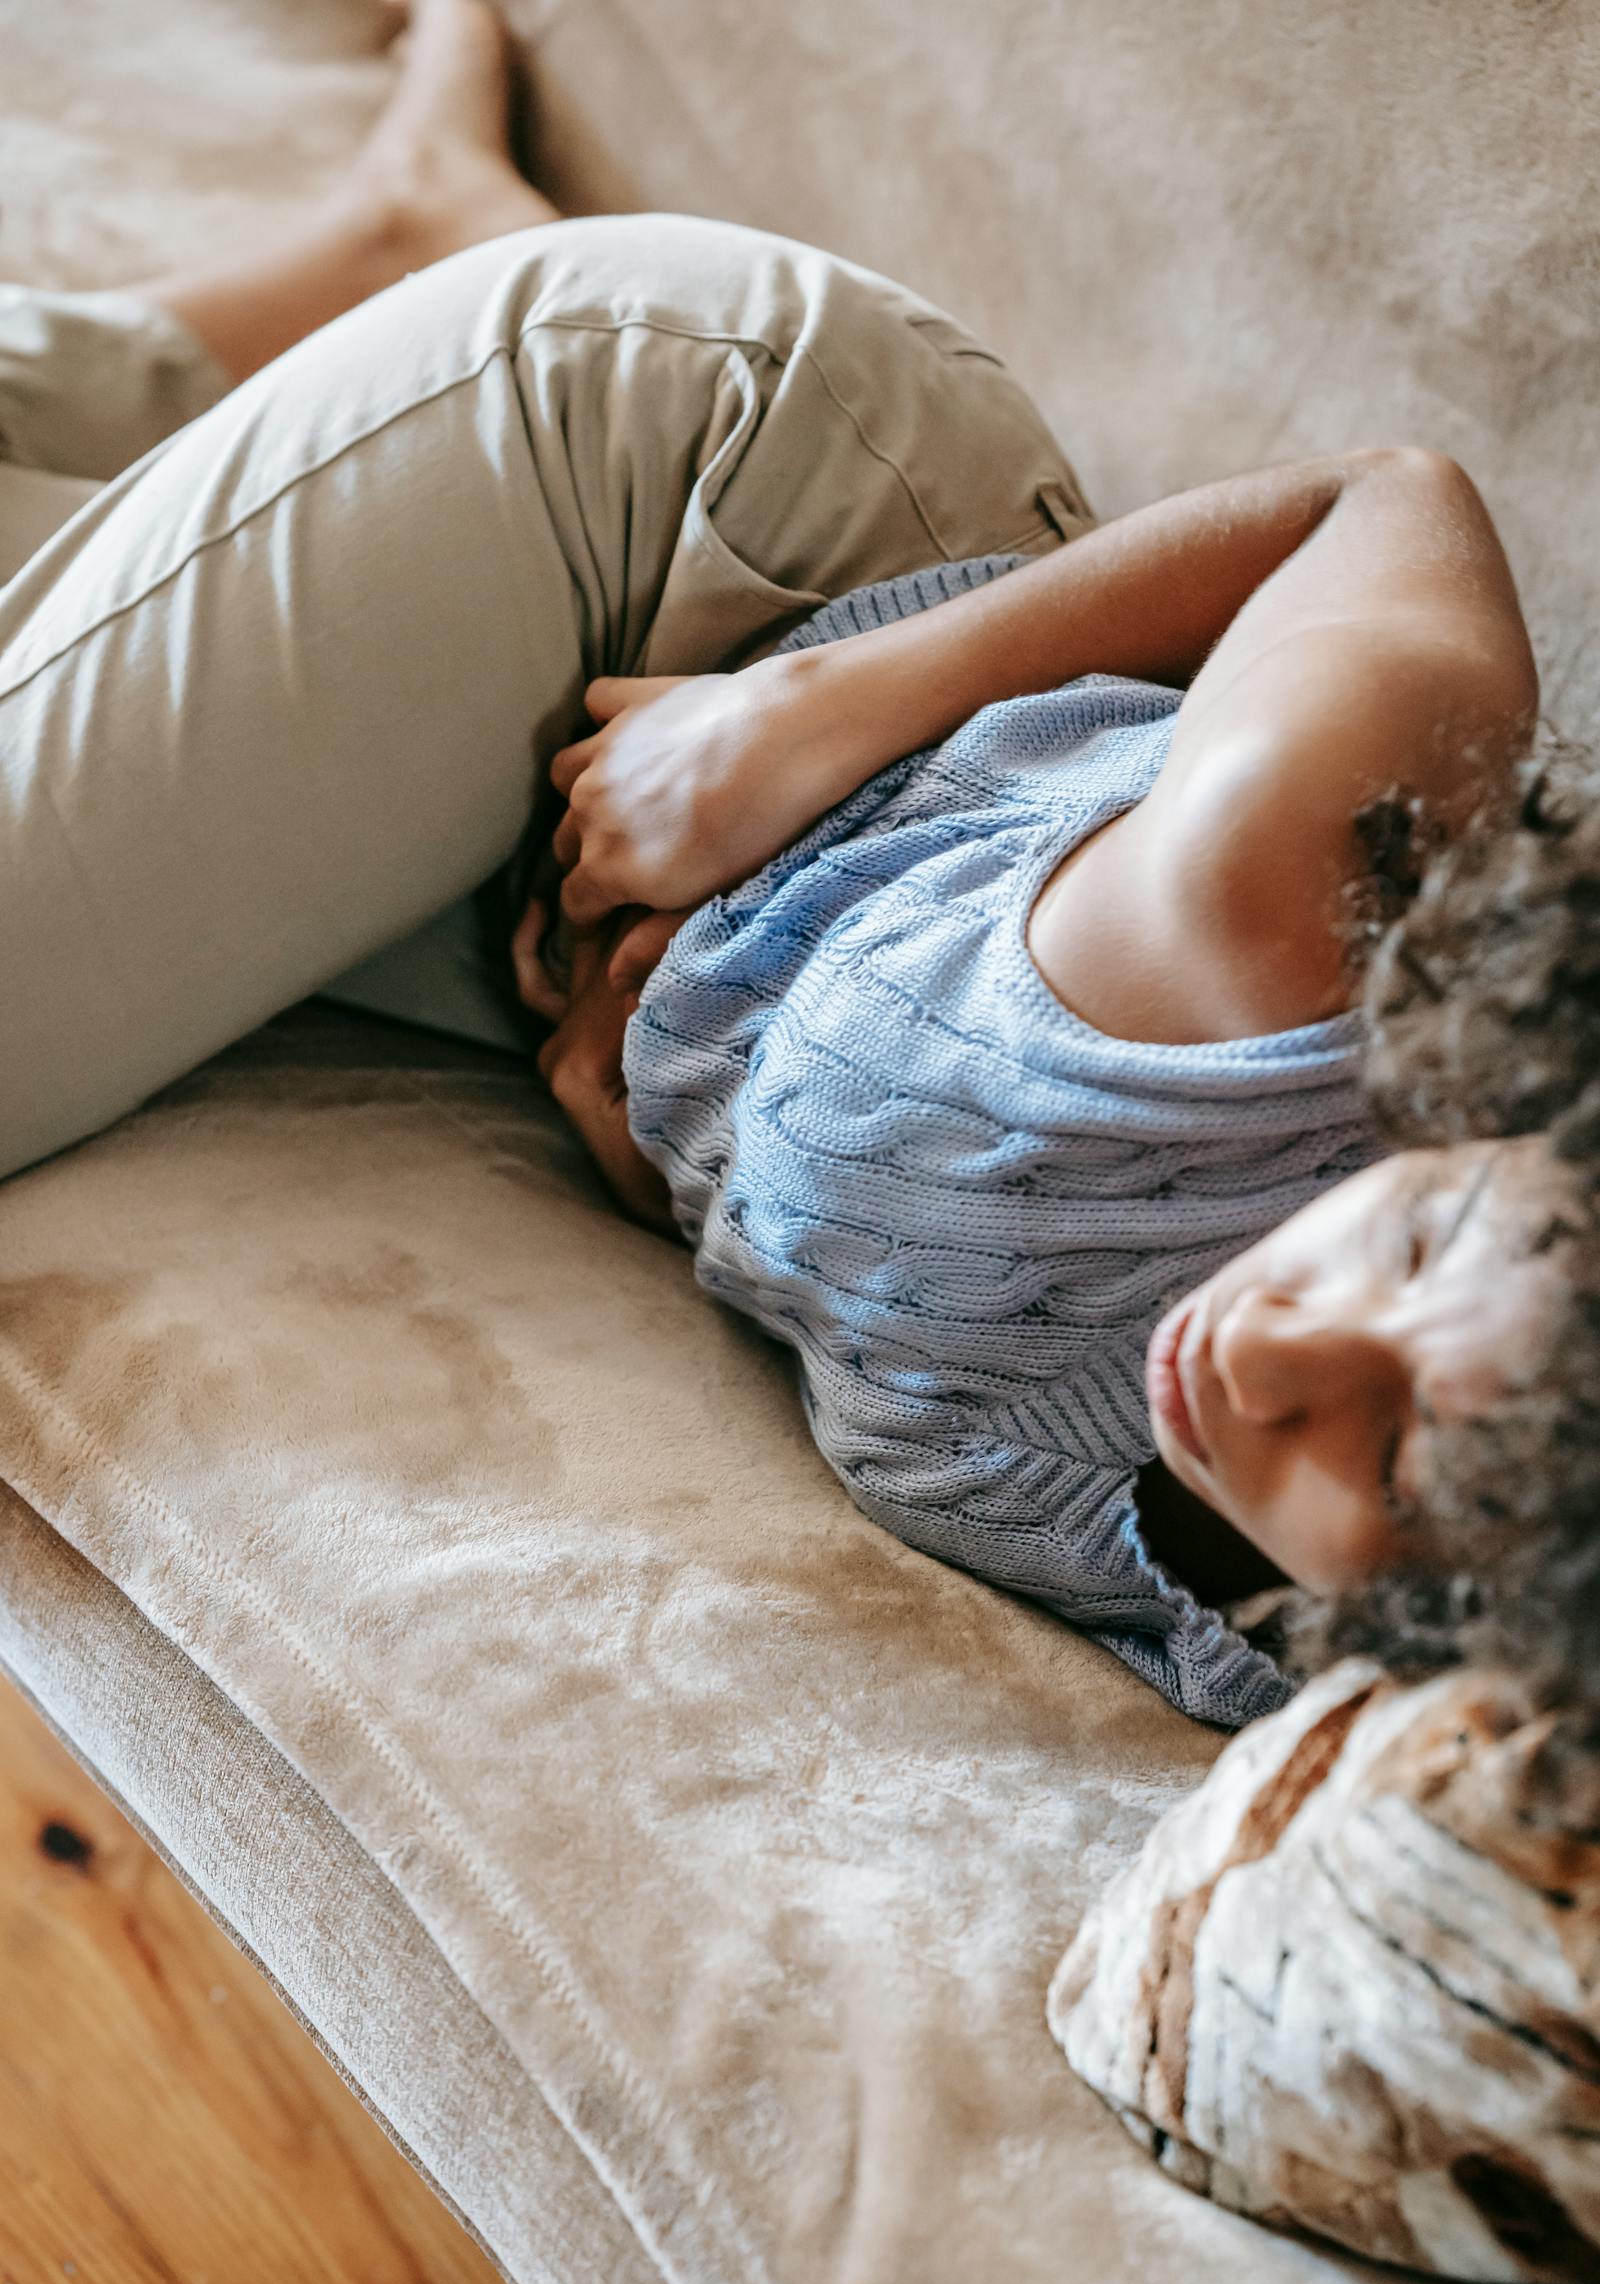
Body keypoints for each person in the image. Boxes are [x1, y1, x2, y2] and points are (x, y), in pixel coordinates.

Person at [1, 3, 1589, 1730]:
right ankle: (470, 310)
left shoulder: (1260, 1666)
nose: (1272, 1347)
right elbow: (1383, 501)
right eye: (1423, 1246)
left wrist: (662, 1151)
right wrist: (806, 715)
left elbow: (923, 1270)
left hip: (583, 893)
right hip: (706, 541)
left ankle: (397, 247)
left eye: (1412, 1470)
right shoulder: (1274, 934)